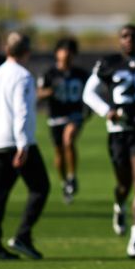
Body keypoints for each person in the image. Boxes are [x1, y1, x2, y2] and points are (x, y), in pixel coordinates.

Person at [82, 24, 135, 259]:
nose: (129, 39)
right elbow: (89, 93)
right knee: (124, 184)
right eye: (124, 35)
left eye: (133, 35)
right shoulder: (108, 63)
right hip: (119, 131)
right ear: (119, 40)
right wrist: (106, 111)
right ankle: (119, 204)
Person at [0, 32, 50, 261]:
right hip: (17, 143)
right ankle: (22, 236)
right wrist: (23, 144)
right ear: (27, 52)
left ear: (7, 51)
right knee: (40, 188)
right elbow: (21, 111)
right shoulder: (22, 76)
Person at [38, 37, 91, 204]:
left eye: (70, 51)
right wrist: (49, 92)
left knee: (68, 141)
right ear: (57, 53)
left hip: (74, 116)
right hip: (55, 117)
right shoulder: (49, 74)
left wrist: (87, 111)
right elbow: (38, 93)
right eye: (63, 50)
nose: (66, 54)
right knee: (58, 151)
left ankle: (72, 176)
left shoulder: (81, 74)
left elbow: (90, 95)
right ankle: (64, 183)